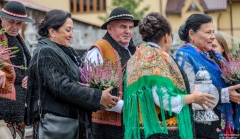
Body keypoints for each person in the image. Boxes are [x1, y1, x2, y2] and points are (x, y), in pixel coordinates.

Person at [26, 9, 118, 139]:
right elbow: (62, 86)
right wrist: (97, 96)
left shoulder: (64, 52)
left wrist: (101, 97)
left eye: (72, 30)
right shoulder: (46, 53)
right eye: (68, 30)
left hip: (73, 124)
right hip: (59, 127)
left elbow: (78, 83)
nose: (72, 35)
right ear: (52, 31)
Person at [124, 12, 216, 139]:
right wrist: (192, 98)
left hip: (140, 129)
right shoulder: (157, 57)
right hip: (163, 130)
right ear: (166, 37)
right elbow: (163, 98)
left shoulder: (136, 57)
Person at [175, 13, 240, 138]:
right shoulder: (183, 55)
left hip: (224, 122)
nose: (212, 37)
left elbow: (229, 80)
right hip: (203, 126)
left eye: (213, 32)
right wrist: (225, 94)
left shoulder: (216, 56)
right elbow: (191, 91)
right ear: (192, 34)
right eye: (208, 32)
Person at [85, 7, 139, 139]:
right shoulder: (99, 50)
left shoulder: (133, 51)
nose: (128, 31)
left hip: (131, 123)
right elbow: (93, 91)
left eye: (130, 27)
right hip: (106, 127)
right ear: (109, 28)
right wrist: (127, 107)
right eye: (122, 27)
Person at [0, 1, 34, 139]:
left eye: (19, 23)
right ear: (1, 18)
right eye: (11, 22)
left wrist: (29, 77)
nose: (14, 27)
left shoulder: (18, 38)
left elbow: (25, 67)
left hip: (18, 107)